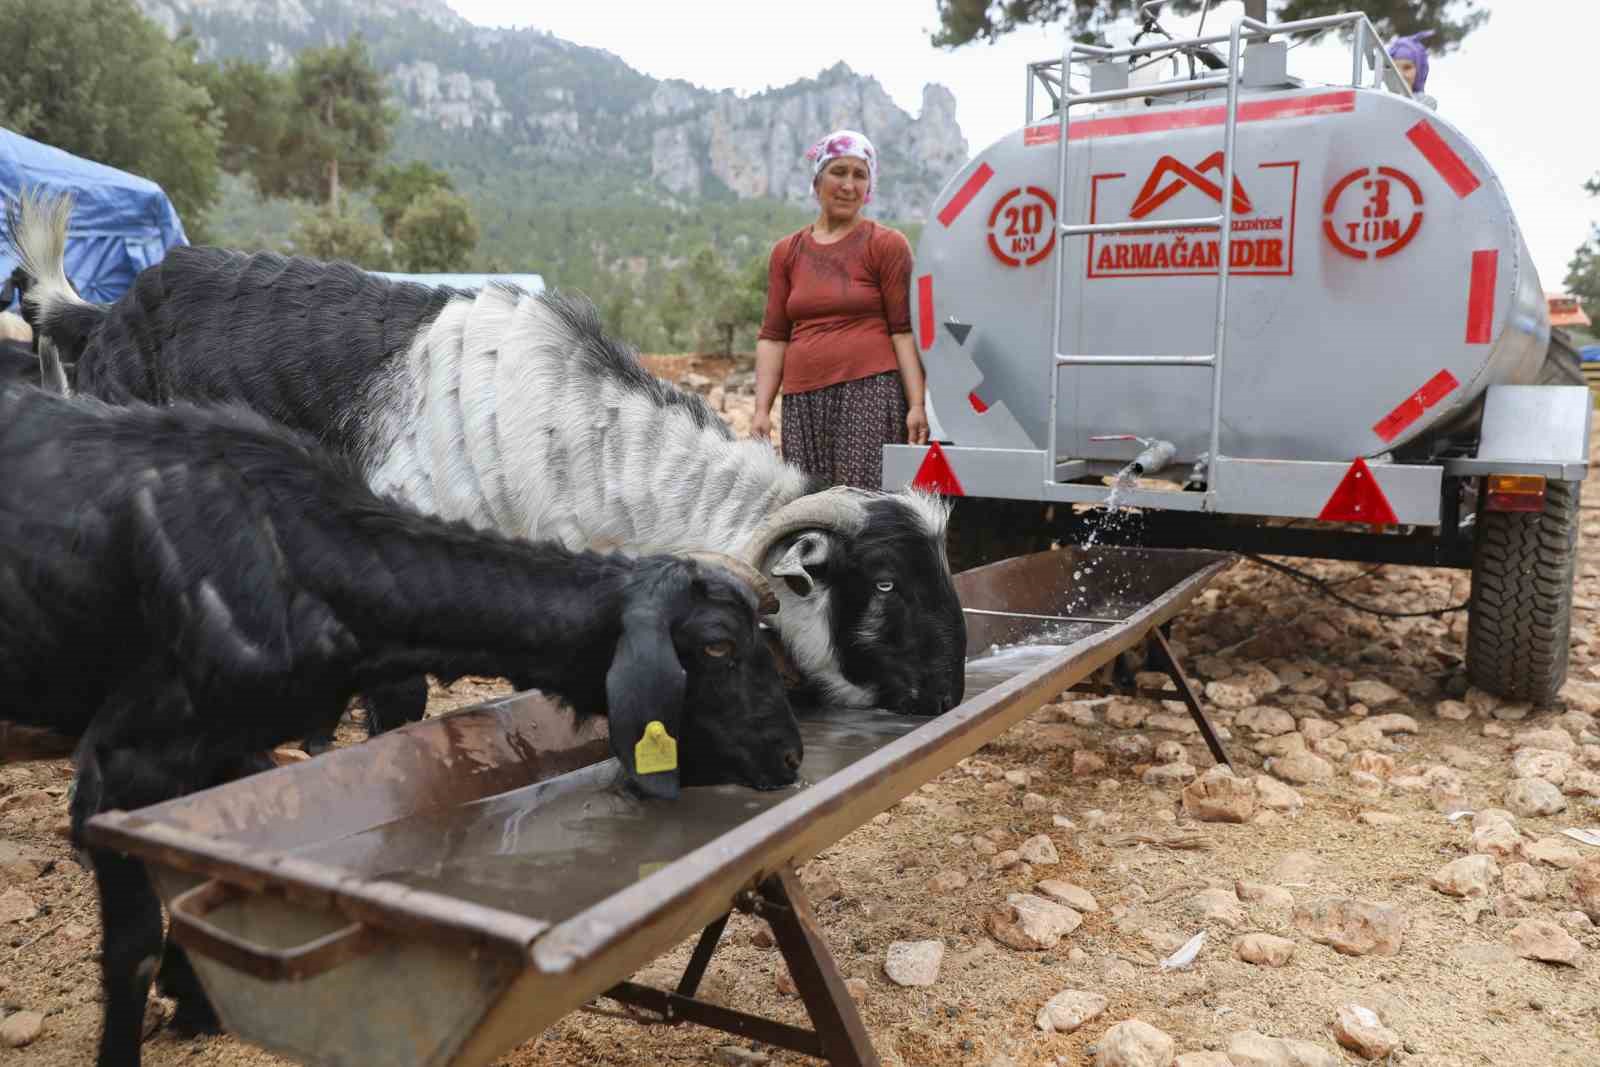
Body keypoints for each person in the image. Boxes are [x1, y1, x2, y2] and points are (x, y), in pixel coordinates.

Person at [752, 128, 929, 490]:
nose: (848, 184)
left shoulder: (887, 245)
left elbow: (903, 330)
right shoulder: (787, 252)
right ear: (817, 181)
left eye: (859, 174)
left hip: (869, 394)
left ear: (869, 188)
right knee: (808, 508)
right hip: (802, 400)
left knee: (858, 505)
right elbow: (773, 337)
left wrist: (916, 404)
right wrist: (760, 411)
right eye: (838, 172)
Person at [1387, 31, 1438, 111]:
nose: (1400, 74)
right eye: (1394, 68)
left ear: (1419, 72)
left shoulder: (1426, 102)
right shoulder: (1381, 98)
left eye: (1407, 67)